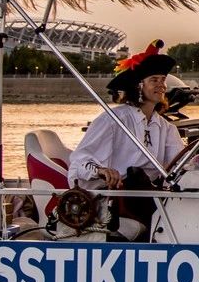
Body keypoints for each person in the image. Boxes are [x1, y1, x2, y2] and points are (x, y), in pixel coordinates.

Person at [67, 50, 184, 236]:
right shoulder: (113, 120)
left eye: (163, 80)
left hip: (149, 195)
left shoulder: (166, 127)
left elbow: (178, 165)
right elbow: (79, 161)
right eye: (154, 80)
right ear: (138, 86)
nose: (162, 85)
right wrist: (101, 171)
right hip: (119, 198)